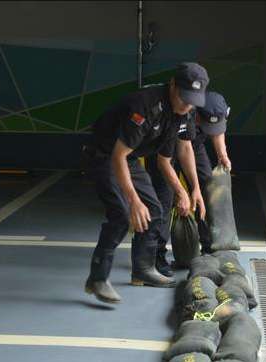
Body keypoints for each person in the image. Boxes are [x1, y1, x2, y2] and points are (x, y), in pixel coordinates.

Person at [82, 63, 209, 304]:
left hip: (127, 158)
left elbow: (178, 151)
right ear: (172, 85)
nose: (187, 105)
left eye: (193, 101)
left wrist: (193, 189)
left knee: (154, 209)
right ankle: (97, 278)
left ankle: (142, 269)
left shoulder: (186, 111)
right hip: (104, 154)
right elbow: (117, 156)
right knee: (121, 215)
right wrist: (133, 201)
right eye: (184, 98)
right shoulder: (145, 105)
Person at [147, 91, 231, 276]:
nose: (210, 129)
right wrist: (181, 192)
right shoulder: (181, 112)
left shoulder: (216, 106)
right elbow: (171, 156)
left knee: (208, 187)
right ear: (195, 113)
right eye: (206, 124)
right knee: (164, 198)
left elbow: (218, 130)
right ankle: (157, 255)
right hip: (163, 149)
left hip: (192, 146)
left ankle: (209, 247)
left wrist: (222, 155)